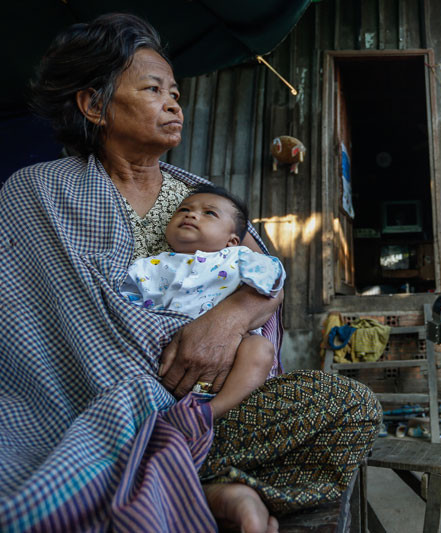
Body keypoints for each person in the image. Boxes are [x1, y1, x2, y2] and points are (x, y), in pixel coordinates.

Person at [0, 13, 380, 533]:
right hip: (81, 407)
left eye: (175, 90)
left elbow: (266, 279)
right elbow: (28, 321)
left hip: (208, 407)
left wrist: (228, 320)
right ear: (94, 105)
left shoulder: (202, 198)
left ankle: (193, 478)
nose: (175, 102)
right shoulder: (35, 192)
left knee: (348, 405)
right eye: (154, 88)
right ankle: (204, 485)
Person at [122, 184, 286, 420]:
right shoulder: (151, 266)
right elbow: (128, 302)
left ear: (231, 241)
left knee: (259, 349)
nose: (191, 214)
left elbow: (272, 277)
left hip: (232, 355)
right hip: (168, 353)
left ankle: (213, 412)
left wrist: (260, 274)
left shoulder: (237, 257)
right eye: (184, 210)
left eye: (209, 213)